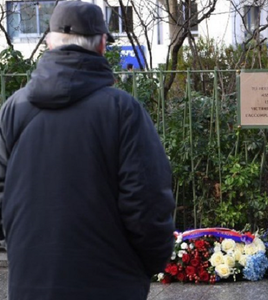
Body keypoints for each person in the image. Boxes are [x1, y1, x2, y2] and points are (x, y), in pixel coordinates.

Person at [0, 2, 176, 299]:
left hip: (31, 283)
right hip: (111, 284)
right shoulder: (123, 111)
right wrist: (147, 264)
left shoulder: (12, 110)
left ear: (49, 42)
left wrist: (25, 252)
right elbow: (148, 201)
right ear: (102, 45)